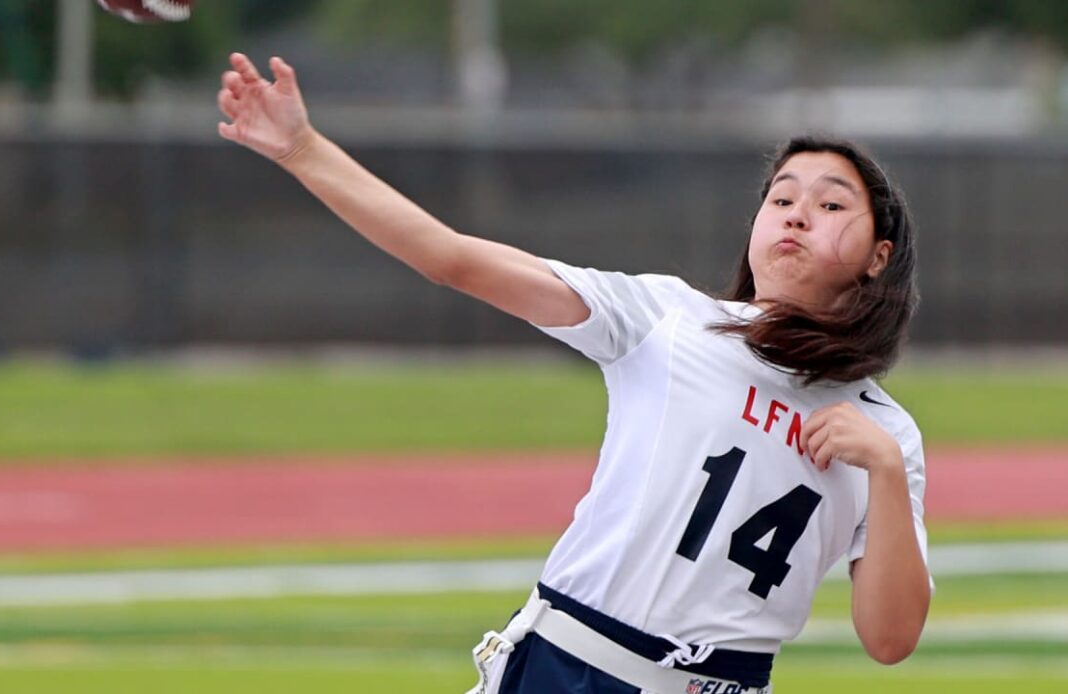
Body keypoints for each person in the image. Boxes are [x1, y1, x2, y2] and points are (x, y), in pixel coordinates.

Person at [216, 52, 931, 694]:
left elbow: (890, 640)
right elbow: (451, 258)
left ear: (878, 254)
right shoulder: (669, 319)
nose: (797, 215)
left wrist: (887, 473)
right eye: (781, 198)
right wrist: (303, 149)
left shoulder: (886, 433)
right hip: (568, 667)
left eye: (831, 203)